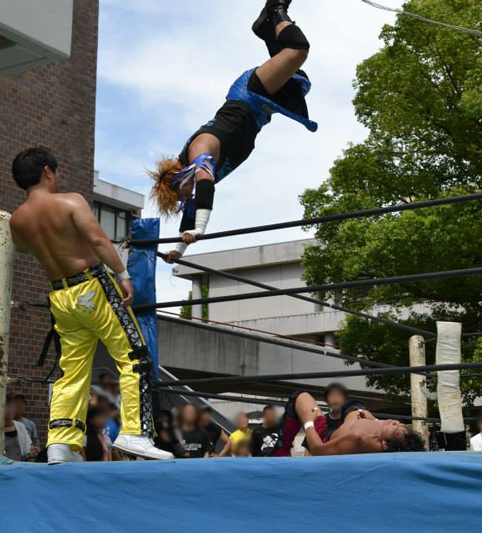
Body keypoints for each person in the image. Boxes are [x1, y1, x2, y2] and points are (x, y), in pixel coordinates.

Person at [9, 147, 173, 463]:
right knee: (134, 355)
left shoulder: (18, 220)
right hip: (92, 286)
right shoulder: (70, 202)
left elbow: (25, 248)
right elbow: (98, 240)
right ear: (47, 171)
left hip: (60, 296)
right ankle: (135, 433)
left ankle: (60, 443)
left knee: (72, 370)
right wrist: (123, 276)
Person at [151, 0, 316, 263]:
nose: (188, 197)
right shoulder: (198, 177)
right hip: (261, 109)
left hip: (249, 94)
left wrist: (200, 229)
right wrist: (178, 250)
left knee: (297, 50)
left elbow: (203, 191)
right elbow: (192, 211)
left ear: (181, 180)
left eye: (185, 194)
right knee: (299, 79)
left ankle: (276, 10)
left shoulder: (198, 153)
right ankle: (266, 27)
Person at [277, 392, 424, 457]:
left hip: (325, 436)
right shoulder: (381, 435)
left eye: (395, 428)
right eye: (401, 424)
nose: (395, 422)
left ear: (385, 444)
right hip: (350, 423)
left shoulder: (357, 438)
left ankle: (281, 450)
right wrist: (374, 420)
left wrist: (309, 423)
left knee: (300, 397)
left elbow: (318, 450)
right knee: (355, 405)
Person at [3, 395, 33, 462]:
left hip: (20, 466)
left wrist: (32, 452)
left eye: (12, 407)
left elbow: (28, 449)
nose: (10, 410)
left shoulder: (20, 426)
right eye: (7, 406)